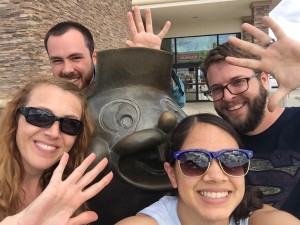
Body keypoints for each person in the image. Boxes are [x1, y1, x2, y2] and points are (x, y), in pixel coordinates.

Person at [115, 113, 299, 225]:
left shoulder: (260, 219)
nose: (216, 176)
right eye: (194, 162)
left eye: (232, 160)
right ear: (172, 174)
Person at [201, 16, 300, 218]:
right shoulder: (213, 142)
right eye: (217, 89)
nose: (228, 96)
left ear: (264, 79)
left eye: (238, 82)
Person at [0, 77, 113, 224]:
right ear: (15, 119)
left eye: (70, 124)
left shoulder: (68, 193)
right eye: (40, 116)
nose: (53, 133)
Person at [44, 6, 171, 91]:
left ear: (94, 57)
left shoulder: (119, 84)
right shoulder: (43, 99)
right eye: (57, 60)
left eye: (76, 58)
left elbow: (170, 101)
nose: (67, 70)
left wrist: (152, 67)